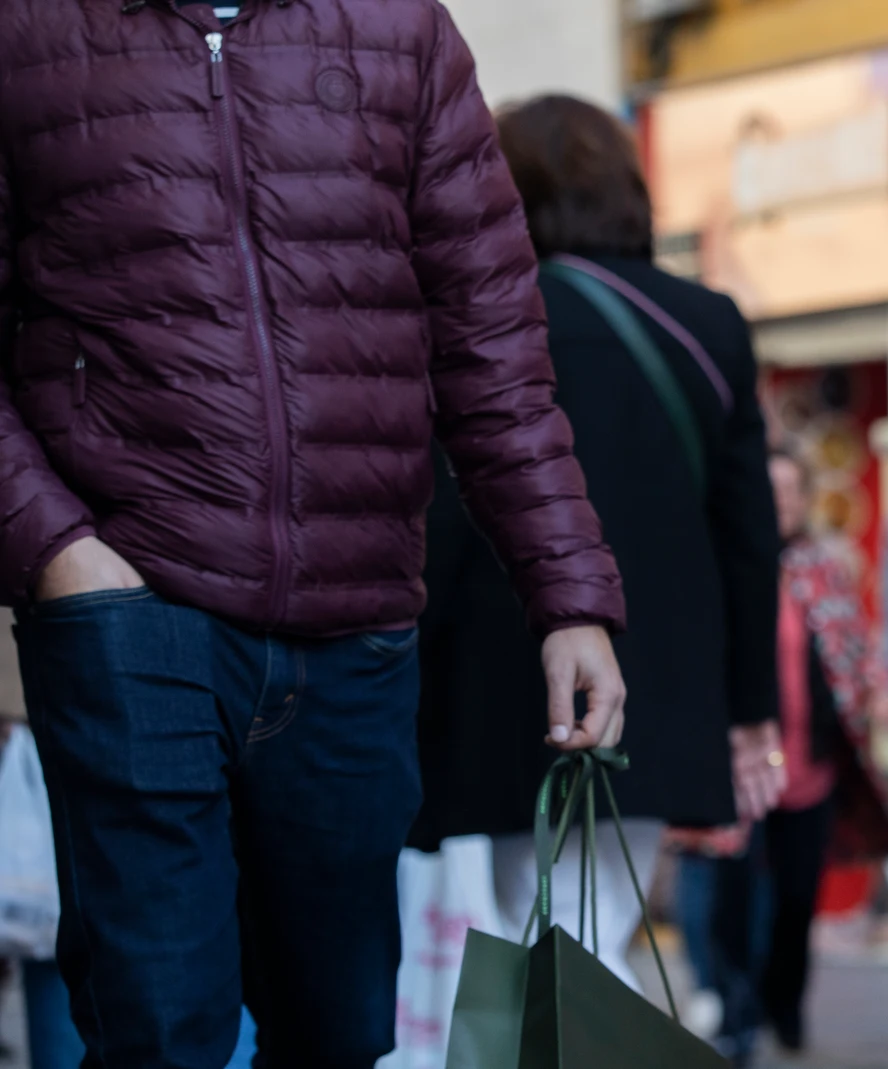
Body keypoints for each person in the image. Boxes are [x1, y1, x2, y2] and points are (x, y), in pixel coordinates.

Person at [0, 2, 633, 1063]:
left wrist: (566, 589)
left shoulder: (400, 29)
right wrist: (64, 556)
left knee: (340, 1031)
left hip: (358, 623)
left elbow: (491, 342)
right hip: (130, 608)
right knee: (160, 1026)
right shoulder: (26, 29)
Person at [409, 94, 785, 992]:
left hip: (501, 678)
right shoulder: (707, 322)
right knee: (596, 933)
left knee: (519, 925)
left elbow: (437, 513)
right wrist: (751, 709)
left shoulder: (475, 316)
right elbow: (749, 536)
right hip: (654, 684)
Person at [710, 448, 888, 1062]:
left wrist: (879, 688)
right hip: (739, 767)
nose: (781, 502)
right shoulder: (728, 561)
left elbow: (857, 642)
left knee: (796, 898)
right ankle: (737, 1012)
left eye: (792, 490)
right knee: (732, 898)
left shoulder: (826, 567)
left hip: (810, 763)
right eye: (771, 489)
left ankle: (783, 1004)